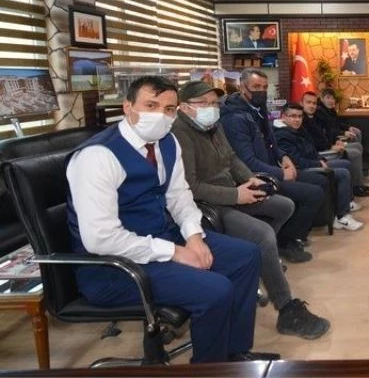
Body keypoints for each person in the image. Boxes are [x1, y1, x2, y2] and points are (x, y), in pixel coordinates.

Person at [65, 76, 272, 363]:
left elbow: (179, 196)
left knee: (246, 256)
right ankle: (209, 369)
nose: (161, 115)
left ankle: (233, 353)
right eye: (151, 105)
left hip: (161, 239)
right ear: (127, 106)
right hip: (115, 267)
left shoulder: (167, 142)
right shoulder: (97, 157)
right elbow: (100, 239)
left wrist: (194, 238)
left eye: (169, 109)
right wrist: (175, 252)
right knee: (216, 290)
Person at [172, 81, 329, 338]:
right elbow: (191, 187)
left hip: (233, 190)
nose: (212, 108)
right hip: (208, 206)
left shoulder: (213, 125)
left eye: (214, 103)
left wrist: (249, 179)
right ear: (185, 107)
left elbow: (232, 158)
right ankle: (286, 308)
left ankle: (257, 262)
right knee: (263, 234)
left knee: (284, 206)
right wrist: (236, 195)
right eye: (204, 103)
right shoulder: (180, 133)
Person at [220, 69, 325, 248]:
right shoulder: (235, 118)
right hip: (256, 176)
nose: (261, 91)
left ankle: (299, 231)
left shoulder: (258, 108)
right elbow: (247, 161)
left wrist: (283, 156)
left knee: (320, 180)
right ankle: (287, 241)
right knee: (313, 194)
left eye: (264, 87)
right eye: (256, 87)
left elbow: (270, 140)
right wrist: (281, 174)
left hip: (272, 166)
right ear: (242, 87)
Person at [274, 103, 365, 231]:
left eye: (300, 116)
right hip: (303, 170)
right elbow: (295, 161)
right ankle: (342, 217)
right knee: (343, 173)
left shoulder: (298, 130)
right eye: (293, 116)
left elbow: (311, 149)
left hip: (315, 161)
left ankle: (345, 204)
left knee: (345, 164)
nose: (297, 119)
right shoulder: (281, 135)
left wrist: (320, 159)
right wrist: (318, 163)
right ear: (283, 117)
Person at [301, 91, 369, 197]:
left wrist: (335, 140)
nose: (312, 106)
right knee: (355, 152)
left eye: (313, 103)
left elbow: (327, 132)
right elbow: (315, 142)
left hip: (328, 146)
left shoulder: (314, 117)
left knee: (357, 146)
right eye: (308, 102)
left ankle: (358, 182)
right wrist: (331, 145)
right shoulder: (306, 120)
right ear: (302, 103)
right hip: (322, 153)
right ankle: (356, 186)